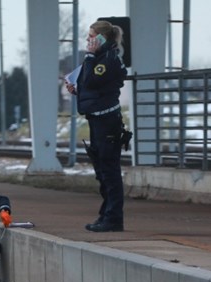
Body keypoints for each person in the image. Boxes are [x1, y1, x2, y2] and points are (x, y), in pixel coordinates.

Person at [65, 20, 128, 232]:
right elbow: (91, 86)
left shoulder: (107, 59)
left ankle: (113, 218)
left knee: (109, 170)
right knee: (102, 170)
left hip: (107, 121)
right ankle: (106, 214)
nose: (88, 40)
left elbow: (93, 81)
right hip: (97, 118)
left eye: (91, 36)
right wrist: (76, 89)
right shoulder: (101, 58)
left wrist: (90, 56)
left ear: (101, 38)